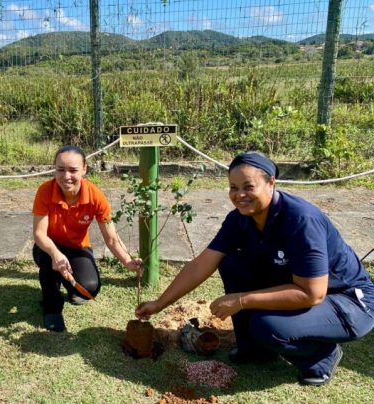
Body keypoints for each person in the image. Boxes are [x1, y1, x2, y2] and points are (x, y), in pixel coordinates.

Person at [135, 151, 374, 386]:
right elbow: (202, 263)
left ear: (271, 183)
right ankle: (255, 349)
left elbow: (313, 293)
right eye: (233, 187)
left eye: (248, 187)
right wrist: (159, 303)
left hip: (348, 300)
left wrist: (242, 300)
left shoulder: (301, 220)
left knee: (268, 325)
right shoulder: (239, 219)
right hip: (303, 289)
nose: (240, 195)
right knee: (231, 263)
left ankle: (321, 356)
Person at [32, 145, 143, 332]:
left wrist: (127, 261)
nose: (66, 176)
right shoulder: (45, 191)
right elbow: (39, 234)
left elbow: (112, 239)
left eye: (73, 170)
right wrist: (55, 254)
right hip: (48, 247)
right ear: (54, 168)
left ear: (84, 169)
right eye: (60, 169)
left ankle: (71, 287)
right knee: (49, 265)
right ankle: (52, 308)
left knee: (90, 287)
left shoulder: (95, 196)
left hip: (77, 248)